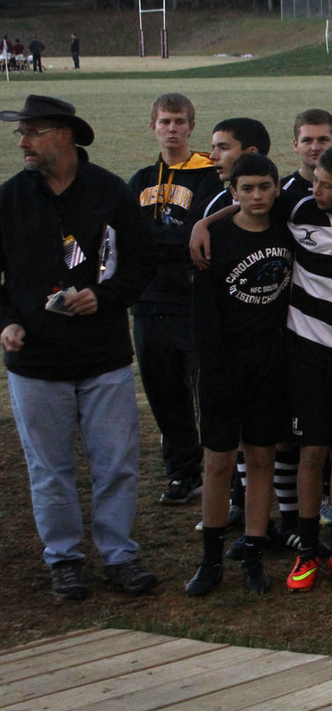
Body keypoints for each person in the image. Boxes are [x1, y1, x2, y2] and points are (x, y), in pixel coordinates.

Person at [0, 94, 157, 600]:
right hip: (35, 364)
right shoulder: (9, 199)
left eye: (33, 131)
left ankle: (119, 555)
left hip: (103, 358)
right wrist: (6, 323)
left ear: (64, 136)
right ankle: (64, 559)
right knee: (49, 470)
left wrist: (103, 296)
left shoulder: (109, 191)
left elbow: (141, 264)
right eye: (21, 132)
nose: (22, 141)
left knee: (117, 464)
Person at [185, 154, 295, 597]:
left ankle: (253, 550)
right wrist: (205, 224)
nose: (255, 196)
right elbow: (203, 316)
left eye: (264, 188)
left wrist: (208, 219)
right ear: (233, 192)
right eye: (245, 189)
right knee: (218, 461)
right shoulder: (214, 241)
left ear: (275, 189)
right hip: (222, 363)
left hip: (270, 361)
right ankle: (211, 559)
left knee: (262, 457)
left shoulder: (287, 228)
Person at [129, 93, 222, 505]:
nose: (172, 128)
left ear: (191, 126)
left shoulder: (207, 176)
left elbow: (197, 234)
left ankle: (221, 472)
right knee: (163, 392)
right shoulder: (139, 180)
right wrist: (165, 242)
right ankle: (182, 472)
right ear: (153, 126)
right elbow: (128, 237)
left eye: (180, 121)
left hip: (190, 298)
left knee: (207, 390)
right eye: (165, 121)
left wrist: (155, 243)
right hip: (148, 302)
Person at [203, 117, 272, 217]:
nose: (212, 156)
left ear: (251, 153)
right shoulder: (213, 206)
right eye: (213, 148)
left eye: (223, 148)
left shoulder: (285, 206)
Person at [286, 109, 332, 199]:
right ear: (296, 146)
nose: (315, 148)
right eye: (307, 140)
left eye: (323, 140)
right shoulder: (281, 195)